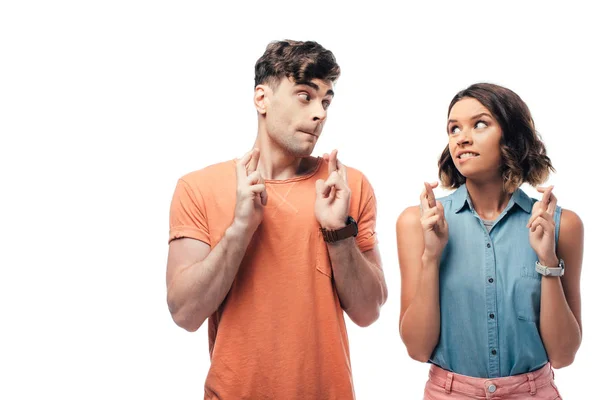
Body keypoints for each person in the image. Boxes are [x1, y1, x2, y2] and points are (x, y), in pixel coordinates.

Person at [166, 39, 387, 400]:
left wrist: (339, 233)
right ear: (261, 99)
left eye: (326, 101)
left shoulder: (346, 186)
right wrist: (240, 229)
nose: (320, 113)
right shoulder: (199, 187)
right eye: (305, 95)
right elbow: (185, 313)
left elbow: (368, 311)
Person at [396, 83, 583, 399]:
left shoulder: (562, 225)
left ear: (511, 135)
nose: (462, 137)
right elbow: (417, 348)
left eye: (479, 124)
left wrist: (548, 261)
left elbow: (563, 356)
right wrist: (432, 256)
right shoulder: (418, 223)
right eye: (453, 128)